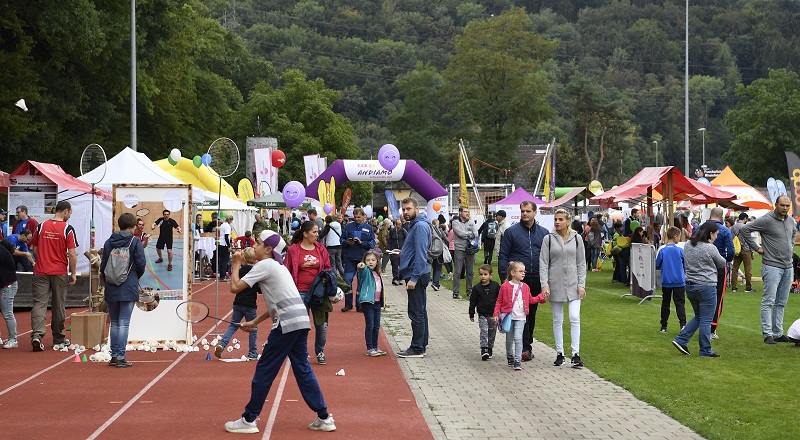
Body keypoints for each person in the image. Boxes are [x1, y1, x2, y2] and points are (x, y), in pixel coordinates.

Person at [224, 230, 335, 434]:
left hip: (286, 324)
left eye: (258, 243)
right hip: (300, 320)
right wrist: (254, 321)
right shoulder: (278, 266)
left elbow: (235, 287)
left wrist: (236, 263)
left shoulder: (265, 265)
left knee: (265, 369)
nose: (254, 247)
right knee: (302, 369)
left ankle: (249, 419)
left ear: (268, 249)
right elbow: (276, 305)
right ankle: (324, 416)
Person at [740, 195, 797, 344]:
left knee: (781, 302)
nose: (785, 208)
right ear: (775, 205)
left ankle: (778, 332)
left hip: (788, 266)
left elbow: (793, 234)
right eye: (782, 205)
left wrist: (790, 247)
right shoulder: (766, 219)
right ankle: (768, 334)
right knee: (769, 301)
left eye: (787, 206)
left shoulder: (790, 220)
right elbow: (745, 230)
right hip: (771, 266)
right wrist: (757, 247)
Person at [497, 200, 548, 361]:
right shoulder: (511, 232)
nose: (525, 213)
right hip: (517, 281)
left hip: (536, 278)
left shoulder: (544, 233)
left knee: (530, 314)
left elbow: (548, 258)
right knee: (517, 313)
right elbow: (503, 255)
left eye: (528, 211)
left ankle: (527, 346)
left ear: (535, 212)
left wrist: (547, 280)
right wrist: (504, 277)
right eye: (522, 211)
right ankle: (517, 346)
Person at [540, 208, 587, 368]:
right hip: (555, 283)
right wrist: (544, 284)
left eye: (560, 219)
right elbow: (544, 263)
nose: (557, 222)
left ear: (568, 221)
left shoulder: (577, 238)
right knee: (557, 319)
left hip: (574, 284)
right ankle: (560, 353)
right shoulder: (549, 239)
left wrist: (582, 285)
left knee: (574, 317)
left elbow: (581, 263)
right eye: (556, 219)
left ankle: (576, 354)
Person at [29, 201, 78, 351]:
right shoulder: (67, 229)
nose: (70, 215)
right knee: (58, 305)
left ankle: (37, 335)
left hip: (41, 270)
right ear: (65, 211)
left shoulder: (41, 226)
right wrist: (73, 273)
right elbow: (72, 253)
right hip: (59, 271)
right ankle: (58, 338)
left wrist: (42, 259)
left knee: (39, 304)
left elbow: (34, 248)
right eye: (70, 212)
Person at [671, 221, 725, 358]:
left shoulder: (688, 244)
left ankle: (681, 340)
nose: (717, 237)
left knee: (699, 316)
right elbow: (722, 263)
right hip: (707, 285)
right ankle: (705, 350)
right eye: (716, 234)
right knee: (706, 319)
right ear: (711, 234)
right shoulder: (710, 248)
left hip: (690, 285)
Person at [100, 213, 146, 368]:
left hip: (111, 285)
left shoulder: (109, 241)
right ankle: (121, 356)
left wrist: (107, 280)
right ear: (133, 226)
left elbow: (103, 265)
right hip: (128, 283)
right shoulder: (135, 241)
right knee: (124, 322)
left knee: (114, 322)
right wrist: (135, 276)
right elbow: (141, 263)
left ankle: (114, 356)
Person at [285, 221, 332, 364]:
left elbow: (328, 267)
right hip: (300, 291)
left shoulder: (321, 249)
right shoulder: (293, 250)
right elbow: (286, 270)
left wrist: (325, 278)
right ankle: (303, 353)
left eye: (318, 232)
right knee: (303, 325)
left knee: (321, 325)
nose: (318, 235)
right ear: (305, 234)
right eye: (315, 232)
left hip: (318, 292)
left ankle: (320, 350)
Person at [494, 261, 547, 371]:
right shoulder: (505, 286)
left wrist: (540, 298)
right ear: (513, 272)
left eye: (524, 271)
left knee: (518, 338)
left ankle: (517, 360)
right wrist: (496, 314)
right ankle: (510, 355)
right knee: (509, 339)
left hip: (521, 317)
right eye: (521, 271)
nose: (523, 273)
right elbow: (499, 301)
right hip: (508, 317)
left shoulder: (525, 287)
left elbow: (530, 300)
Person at [397, 197, 431, 358]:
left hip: (416, 274)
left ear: (417, 209)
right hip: (415, 271)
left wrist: (414, 278)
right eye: (403, 209)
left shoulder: (420, 226)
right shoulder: (416, 225)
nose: (405, 212)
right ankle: (421, 344)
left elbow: (421, 254)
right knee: (420, 311)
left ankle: (417, 348)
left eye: (408, 209)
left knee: (416, 312)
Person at [215, 247, 260, 360]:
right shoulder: (255, 272)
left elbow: (234, 283)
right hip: (250, 304)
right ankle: (253, 352)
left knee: (233, 325)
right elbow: (259, 290)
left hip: (238, 302)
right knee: (253, 328)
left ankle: (222, 344)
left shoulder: (239, 271)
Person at [705, 207, 734, 340]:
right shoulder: (725, 230)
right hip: (719, 265)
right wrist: (726, 261)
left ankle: (702, 324)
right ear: (721, 217)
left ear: (710, 215)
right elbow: (731, 251)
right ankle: (712, 328)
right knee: (717, 297)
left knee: (703, 295)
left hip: (702, 265)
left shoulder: (700, 227)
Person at [340, 208, 375, 312]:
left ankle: (360, 304)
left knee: (361, 282)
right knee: (347, 280)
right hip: (349, 258)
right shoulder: (348, 226)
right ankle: (348, 304)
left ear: (363, 216)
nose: (356, 219)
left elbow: (372, 243)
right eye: (355, 217)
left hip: (362, 258)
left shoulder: (368, 228)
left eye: (358, 217)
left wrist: (362, 243)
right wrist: (347, 242)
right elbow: (341, 239)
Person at [353, 250, 386, 356]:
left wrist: (384, 301)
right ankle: (370, 348)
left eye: (373, 260)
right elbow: (361, 269)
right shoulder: (366, 271)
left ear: (377, 261)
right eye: (368, 260)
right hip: (368, 301)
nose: (370, 262)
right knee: (370, 324)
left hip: (377, 302)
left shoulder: (377, 273)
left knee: (376, 325)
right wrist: (361, 266)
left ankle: (375, 347)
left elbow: (381, 288)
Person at [656, 227, 686, 333]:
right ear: (675, 236)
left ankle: (663, 325)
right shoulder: (680, 250)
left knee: (665, 303)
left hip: (667, 281)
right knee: (680, 303)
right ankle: (683, 324)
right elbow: (685, 264)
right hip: (679, 281)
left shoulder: (662, 250)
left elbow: (657, 264)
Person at [469, 264, 500, 361]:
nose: (483, 276)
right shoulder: (476, 288)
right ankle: (484, 349)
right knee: (484, 331)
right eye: (481, 274)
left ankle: (490, 348)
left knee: (492, 333)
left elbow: (500, 299)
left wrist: (501, 310)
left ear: (490, 275)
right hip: (482, 314)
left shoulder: (495, 286)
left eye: (485, 274)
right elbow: (473, 301)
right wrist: (471, 313)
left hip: (493, 315)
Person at [451, 206, 478, 299]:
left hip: (471, 249)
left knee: (470, 272)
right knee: (458, 272)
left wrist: (468, 235)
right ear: (460, 213)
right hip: (460, 249)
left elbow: (476, 234)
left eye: (468, 211)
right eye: (465, 211)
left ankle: (469, 290)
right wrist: (469, 234)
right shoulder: (455, 222)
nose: (467, 213)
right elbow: (459, 233)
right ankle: (455, 292)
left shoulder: (471, 222)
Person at [0, 239, 19, 348]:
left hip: (7, 285)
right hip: (3, 284)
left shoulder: (1, 250)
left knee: (7, 313)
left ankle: (13, 339)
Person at [730, 212, 754, 292]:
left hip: (736, 249)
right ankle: (748, 287)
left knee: (735, 268)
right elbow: (749, 240)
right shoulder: (746, 226)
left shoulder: (733, 227)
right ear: (745, 218)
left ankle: (734, 287)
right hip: (746, 248)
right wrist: (752, 252)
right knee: (748, 269)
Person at [387, 218, 407, 286]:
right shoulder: (391, 231)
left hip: (402, 251)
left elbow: (407, 240)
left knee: (402, 265)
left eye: (400, 224)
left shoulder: (403, 231)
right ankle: (395, 278)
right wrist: (389, 250)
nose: (400, 225)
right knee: (395, 265)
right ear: (395, 224)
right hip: (393, 251)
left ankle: (400, 278)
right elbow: (389, 240)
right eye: (398, 224)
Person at [429, 219, 446, 291]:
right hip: (439, 251)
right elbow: (446, 239)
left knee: (434, 267)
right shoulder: (439, 231)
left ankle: (434, 281)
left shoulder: (430, 231)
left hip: (432, 251)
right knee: (438, 268)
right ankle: (435, 283)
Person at [217, 215, 233, 280]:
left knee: (221, 260)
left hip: (220, 243)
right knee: (225, 261)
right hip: (224, 245)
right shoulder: (228, 226)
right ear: (231, 220)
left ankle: (221, 275)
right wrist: (229, 246)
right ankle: (223, 275)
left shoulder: (222, 225)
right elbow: (226, 237)